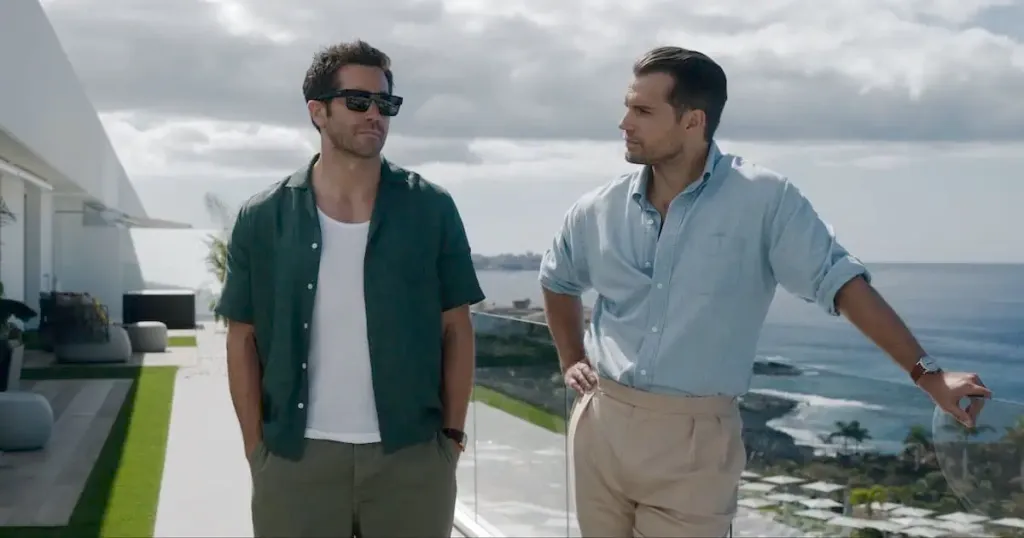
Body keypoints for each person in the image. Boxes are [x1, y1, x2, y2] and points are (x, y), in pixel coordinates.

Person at [539, 46, 992, 538]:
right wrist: (571, 357)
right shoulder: (597, 208)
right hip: (600, 424)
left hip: (694, 443)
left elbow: (840, 283)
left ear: (693, 121)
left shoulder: (764, 199)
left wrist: (928, 374)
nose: (624, 122)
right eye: (628, 106)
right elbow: (557, 278)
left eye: (643, 111)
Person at [215, 39, 484, 538]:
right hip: (297, 462)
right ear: (317, 111)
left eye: (385, 103)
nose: (374, 114)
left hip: (411, 460)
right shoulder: (263, 217)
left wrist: (450, 438)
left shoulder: (431, 208)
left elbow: (457, 328)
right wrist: (257, 450)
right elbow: (241, 337)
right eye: (358, 101)